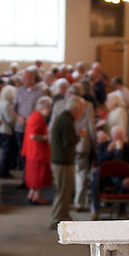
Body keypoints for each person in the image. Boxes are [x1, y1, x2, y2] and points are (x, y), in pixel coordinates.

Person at [49, 94, 85, 226]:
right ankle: (56, 218)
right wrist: (80, 135)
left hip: (63, 159)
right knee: (63, 190)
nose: (82, 112)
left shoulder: (66, 118)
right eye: (81, 109)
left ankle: (64, 215)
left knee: (67, 190)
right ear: (74, 109)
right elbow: (67, 142)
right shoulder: (66, 120)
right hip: (62, 161)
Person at [90, 126, 129, 219]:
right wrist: (108, 151)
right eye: (116, 137)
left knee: (127, 182)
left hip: (121, 176)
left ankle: (122, 211)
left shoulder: (127, 147)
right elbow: (99, 162)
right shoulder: (104, 145)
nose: (118, 139)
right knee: (95, 178)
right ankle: (96, 209)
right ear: (111, 137)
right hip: (105, 177)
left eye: (120, 137)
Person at [21, 95, 53, 204]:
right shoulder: (37, 118)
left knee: (34, 174)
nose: (50, 110)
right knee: (39, 175)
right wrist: (46, 137)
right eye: (49, 107)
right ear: (43, 107)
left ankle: (32, 194)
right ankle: (37, 197)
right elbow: (33, 135)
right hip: (37, 151)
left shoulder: (35, 116)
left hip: (33, 151)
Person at [72, 93, 95, 212]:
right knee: (80, 174)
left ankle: (73, 201)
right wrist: (95, 143)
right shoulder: (88, 106)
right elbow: (91, 126)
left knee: (74, 173)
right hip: (82, 145)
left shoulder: (67, 104)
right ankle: (79, 202)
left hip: (71, 146)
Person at [0, 84, 18, 177]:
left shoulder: (0, 102)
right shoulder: (7, 104)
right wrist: (16, 117)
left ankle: (4, 170)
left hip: (1, 129)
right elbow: (10, 119)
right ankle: (4, 171)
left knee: (5, 151)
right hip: (6, 129)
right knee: (6, 152)